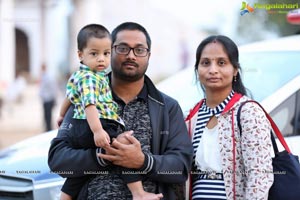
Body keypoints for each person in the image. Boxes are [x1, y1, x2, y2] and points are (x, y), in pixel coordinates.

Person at [48, 22, 193, 200]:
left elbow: (181, 167)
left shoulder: (167, 107)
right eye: (123, 48)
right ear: (111, 51)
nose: (131, 55)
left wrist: (143, 161)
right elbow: (58, 160)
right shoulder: (86, 97)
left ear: (148, 55)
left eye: (139, 50)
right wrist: (103, 157)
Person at [185, 35, 274, 199]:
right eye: (205, 63)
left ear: (235, 70)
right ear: (197, 70)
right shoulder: (192, 116)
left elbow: (259, 177)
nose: (213, 70)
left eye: (221, 62)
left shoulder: (248, 112)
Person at [39, 65, 57, 131]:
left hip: (49, 99)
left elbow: (53, 88)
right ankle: (47, 128)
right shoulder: (43, 77)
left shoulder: (49, 77)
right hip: (45, 99)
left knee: (48, 116)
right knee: (46, 116)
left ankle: (49, 129)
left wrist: (54, 98)